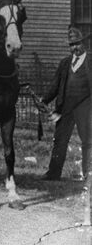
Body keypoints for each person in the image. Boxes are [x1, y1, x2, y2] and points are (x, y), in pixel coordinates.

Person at [41, 25, 91, 181]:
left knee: (88, 141)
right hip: (65, 108)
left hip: (85, 108)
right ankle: (53, 173)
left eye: (77, 43)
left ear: (83, 44)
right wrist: (44, 99)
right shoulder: (64, 63)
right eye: (71, 45)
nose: (74, 48)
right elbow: (55, 85)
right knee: (60, 141)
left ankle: (88, 174)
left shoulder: (90, 62)